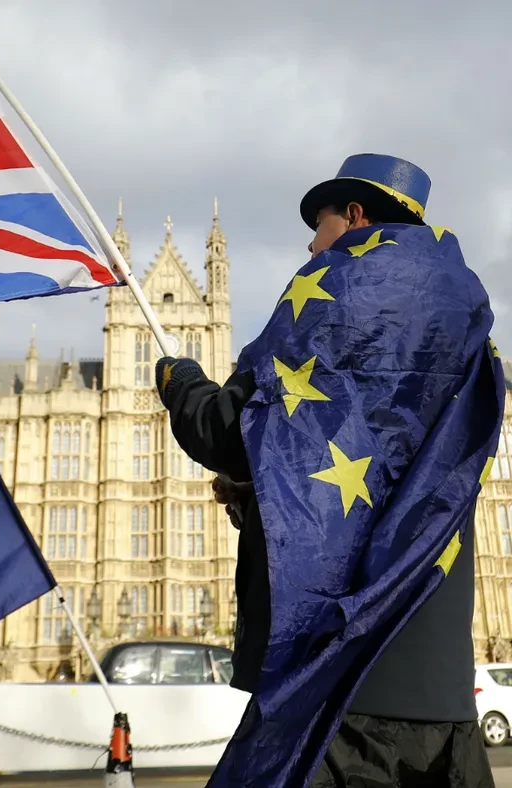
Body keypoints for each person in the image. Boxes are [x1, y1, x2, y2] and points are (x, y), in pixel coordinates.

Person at [156, 154, 497, 786]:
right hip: (439, 692)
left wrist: (182, 383)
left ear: (356, 217)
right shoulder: (462, 317)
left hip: (343, 691)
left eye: (320, 225)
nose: (312, 244)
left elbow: (230, 431)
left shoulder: (345, 299)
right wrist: (265, 496)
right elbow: (378, 479)